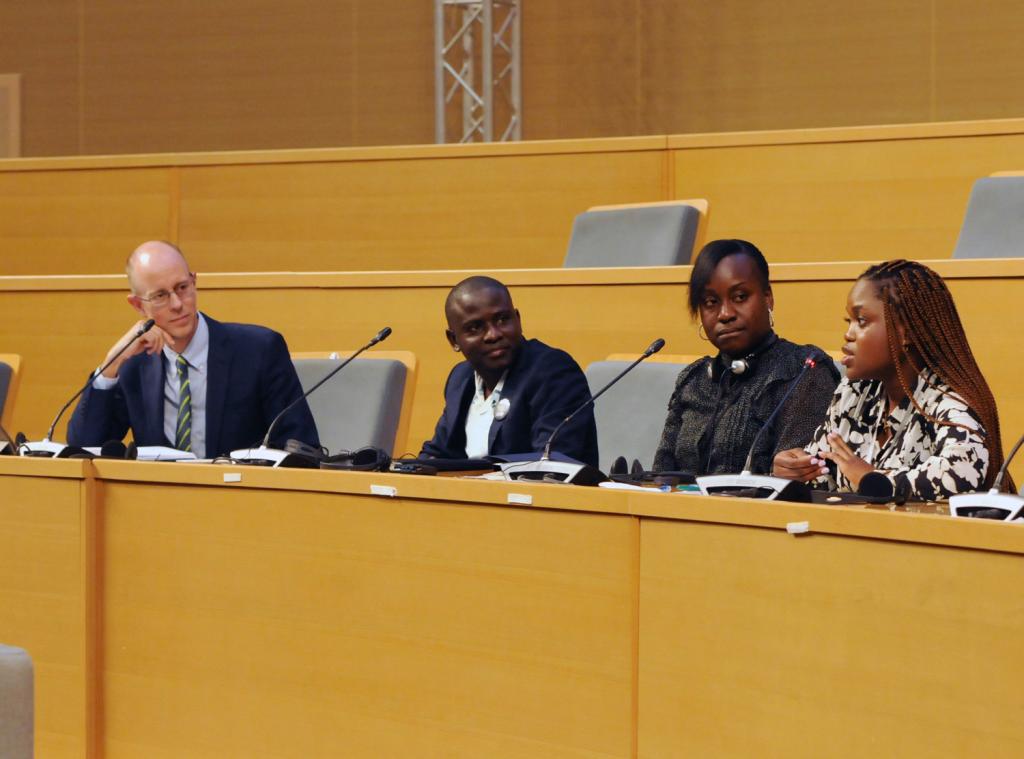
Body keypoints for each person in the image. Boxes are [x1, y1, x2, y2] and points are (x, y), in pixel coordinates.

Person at [773, 259, 1007, 500]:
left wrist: (873, 480)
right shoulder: (854, 392)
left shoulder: (947, 401)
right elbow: (825, 475)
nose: (848, 334)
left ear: (904, 331)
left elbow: (961, 475)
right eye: (849, 322)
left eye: (861, 321)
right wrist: (796, 472)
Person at [67, 240, 318, 457]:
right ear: (137, 305)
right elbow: (83, 448)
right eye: (160, 296)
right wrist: (111, 364)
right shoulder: (134, 364)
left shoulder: (259, 351)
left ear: (194, 281)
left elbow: (300, 446)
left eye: (182, 288)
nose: (177, 304)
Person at [653, 239, 838, 475]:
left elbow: (796, 481)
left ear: (768, 297)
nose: (725, 314)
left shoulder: (803, 372)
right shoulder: (693, 380)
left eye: (740, 297)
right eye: (711, 302)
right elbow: (660, 476)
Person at [420, 276, 599, 466]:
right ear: (453, 340)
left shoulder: (553, 371)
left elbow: (551, 462)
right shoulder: (461, 378)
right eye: (475, 328)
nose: (494, 334)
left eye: (503, 319)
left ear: (518, 320)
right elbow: (438, 452)